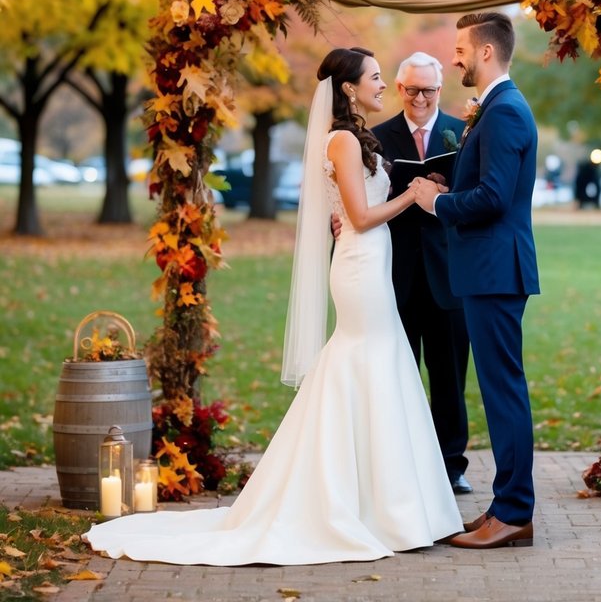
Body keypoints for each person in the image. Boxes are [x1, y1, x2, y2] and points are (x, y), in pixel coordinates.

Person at [85, 48, 462, 566]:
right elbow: (359, 215)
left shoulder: (355, 138)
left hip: (371, 264)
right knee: (369, 361)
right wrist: (413, 194)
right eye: (376, 78)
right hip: (359, 267)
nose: (382, 86)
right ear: (349, 88)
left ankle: (385, 499)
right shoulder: (343, 139)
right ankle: (371, 503)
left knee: (379, 364)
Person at [412, 11, 539, 551]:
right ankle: (503, 507)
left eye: (461, 48)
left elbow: (493, 199)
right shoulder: (494, 110)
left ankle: (513, 513)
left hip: (494, 271)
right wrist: (450, 177)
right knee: (498, 389)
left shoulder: (506, 111)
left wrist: (435, 201)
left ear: (486, 52)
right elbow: (485, 182)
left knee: (503, 392)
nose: (455, 56)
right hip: (486, 270)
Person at [371, 51, 471, 495]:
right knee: (400, 373)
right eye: (411, 90)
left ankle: (452, 465)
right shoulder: (375, 137)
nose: (420, 98)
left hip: (449, 270)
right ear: (399, 89)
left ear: (439, 89)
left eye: (428, 90)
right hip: (397, 271)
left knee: (449, 375)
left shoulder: (463, 133)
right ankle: (404, 460)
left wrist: (448, 192)